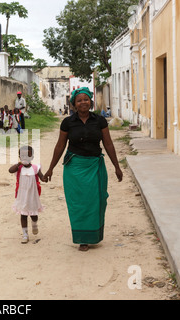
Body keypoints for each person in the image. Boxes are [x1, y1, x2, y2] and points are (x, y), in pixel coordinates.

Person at [44, 87, 123, 252]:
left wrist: (117, 166)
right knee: (79, 203)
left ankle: (93, 235)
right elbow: (60, 146)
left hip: (95, 166)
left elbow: (108, 144)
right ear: (74, 104)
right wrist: (51, 168)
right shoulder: (68, 123)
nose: (83, 103)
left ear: (90, 101)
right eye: (79, 100)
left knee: (97, 201)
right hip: (75, 168)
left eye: (86, 99)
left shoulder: (99, 121)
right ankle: (83, 239)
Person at [9, 146, 48, 243]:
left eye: (28, 156)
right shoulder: (18, 168)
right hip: (22, 196)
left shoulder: (35, 168)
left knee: (34, 215)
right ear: (19, 157)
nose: (25, 158)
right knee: (23, 215)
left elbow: (42, 177)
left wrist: (45, 178)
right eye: (23, 156)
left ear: (32, 157)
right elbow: (10, 170)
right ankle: (25, 234)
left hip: (32, 196)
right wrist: (19, 164)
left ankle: (34, 224)